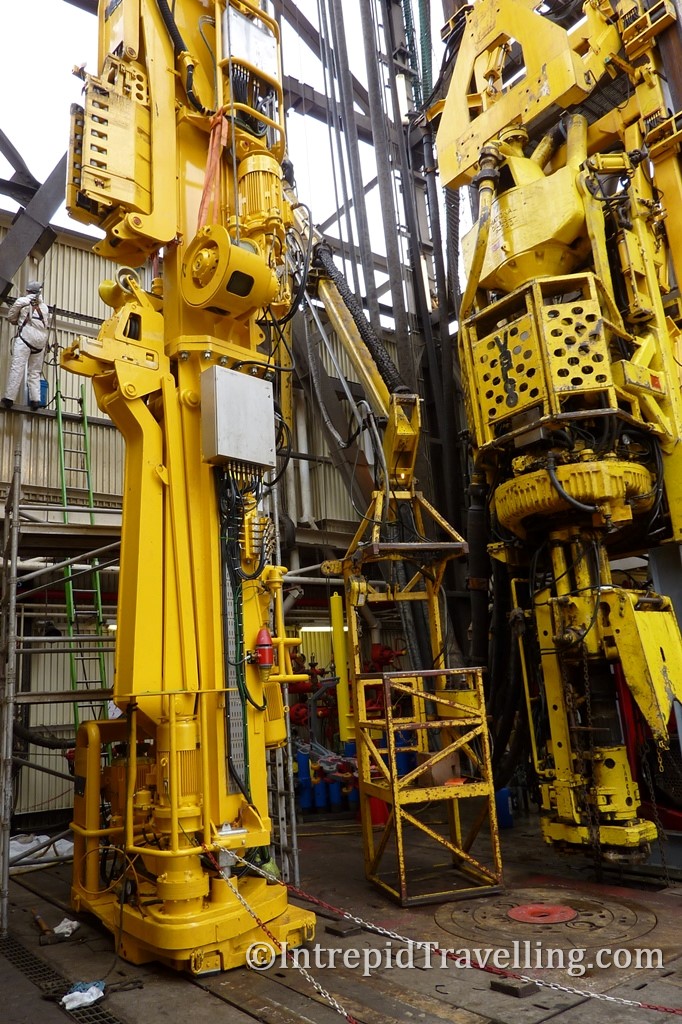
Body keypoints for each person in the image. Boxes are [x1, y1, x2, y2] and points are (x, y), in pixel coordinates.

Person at [3, 280, 50, 410]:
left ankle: (9, 398)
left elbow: (11, 317)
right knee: (35, 372)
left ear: (28, 291)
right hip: (40, 343)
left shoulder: (21, 302)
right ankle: (35, 400)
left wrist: (18, 320)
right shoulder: (45, 308)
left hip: (25, 339)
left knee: (17, 367)